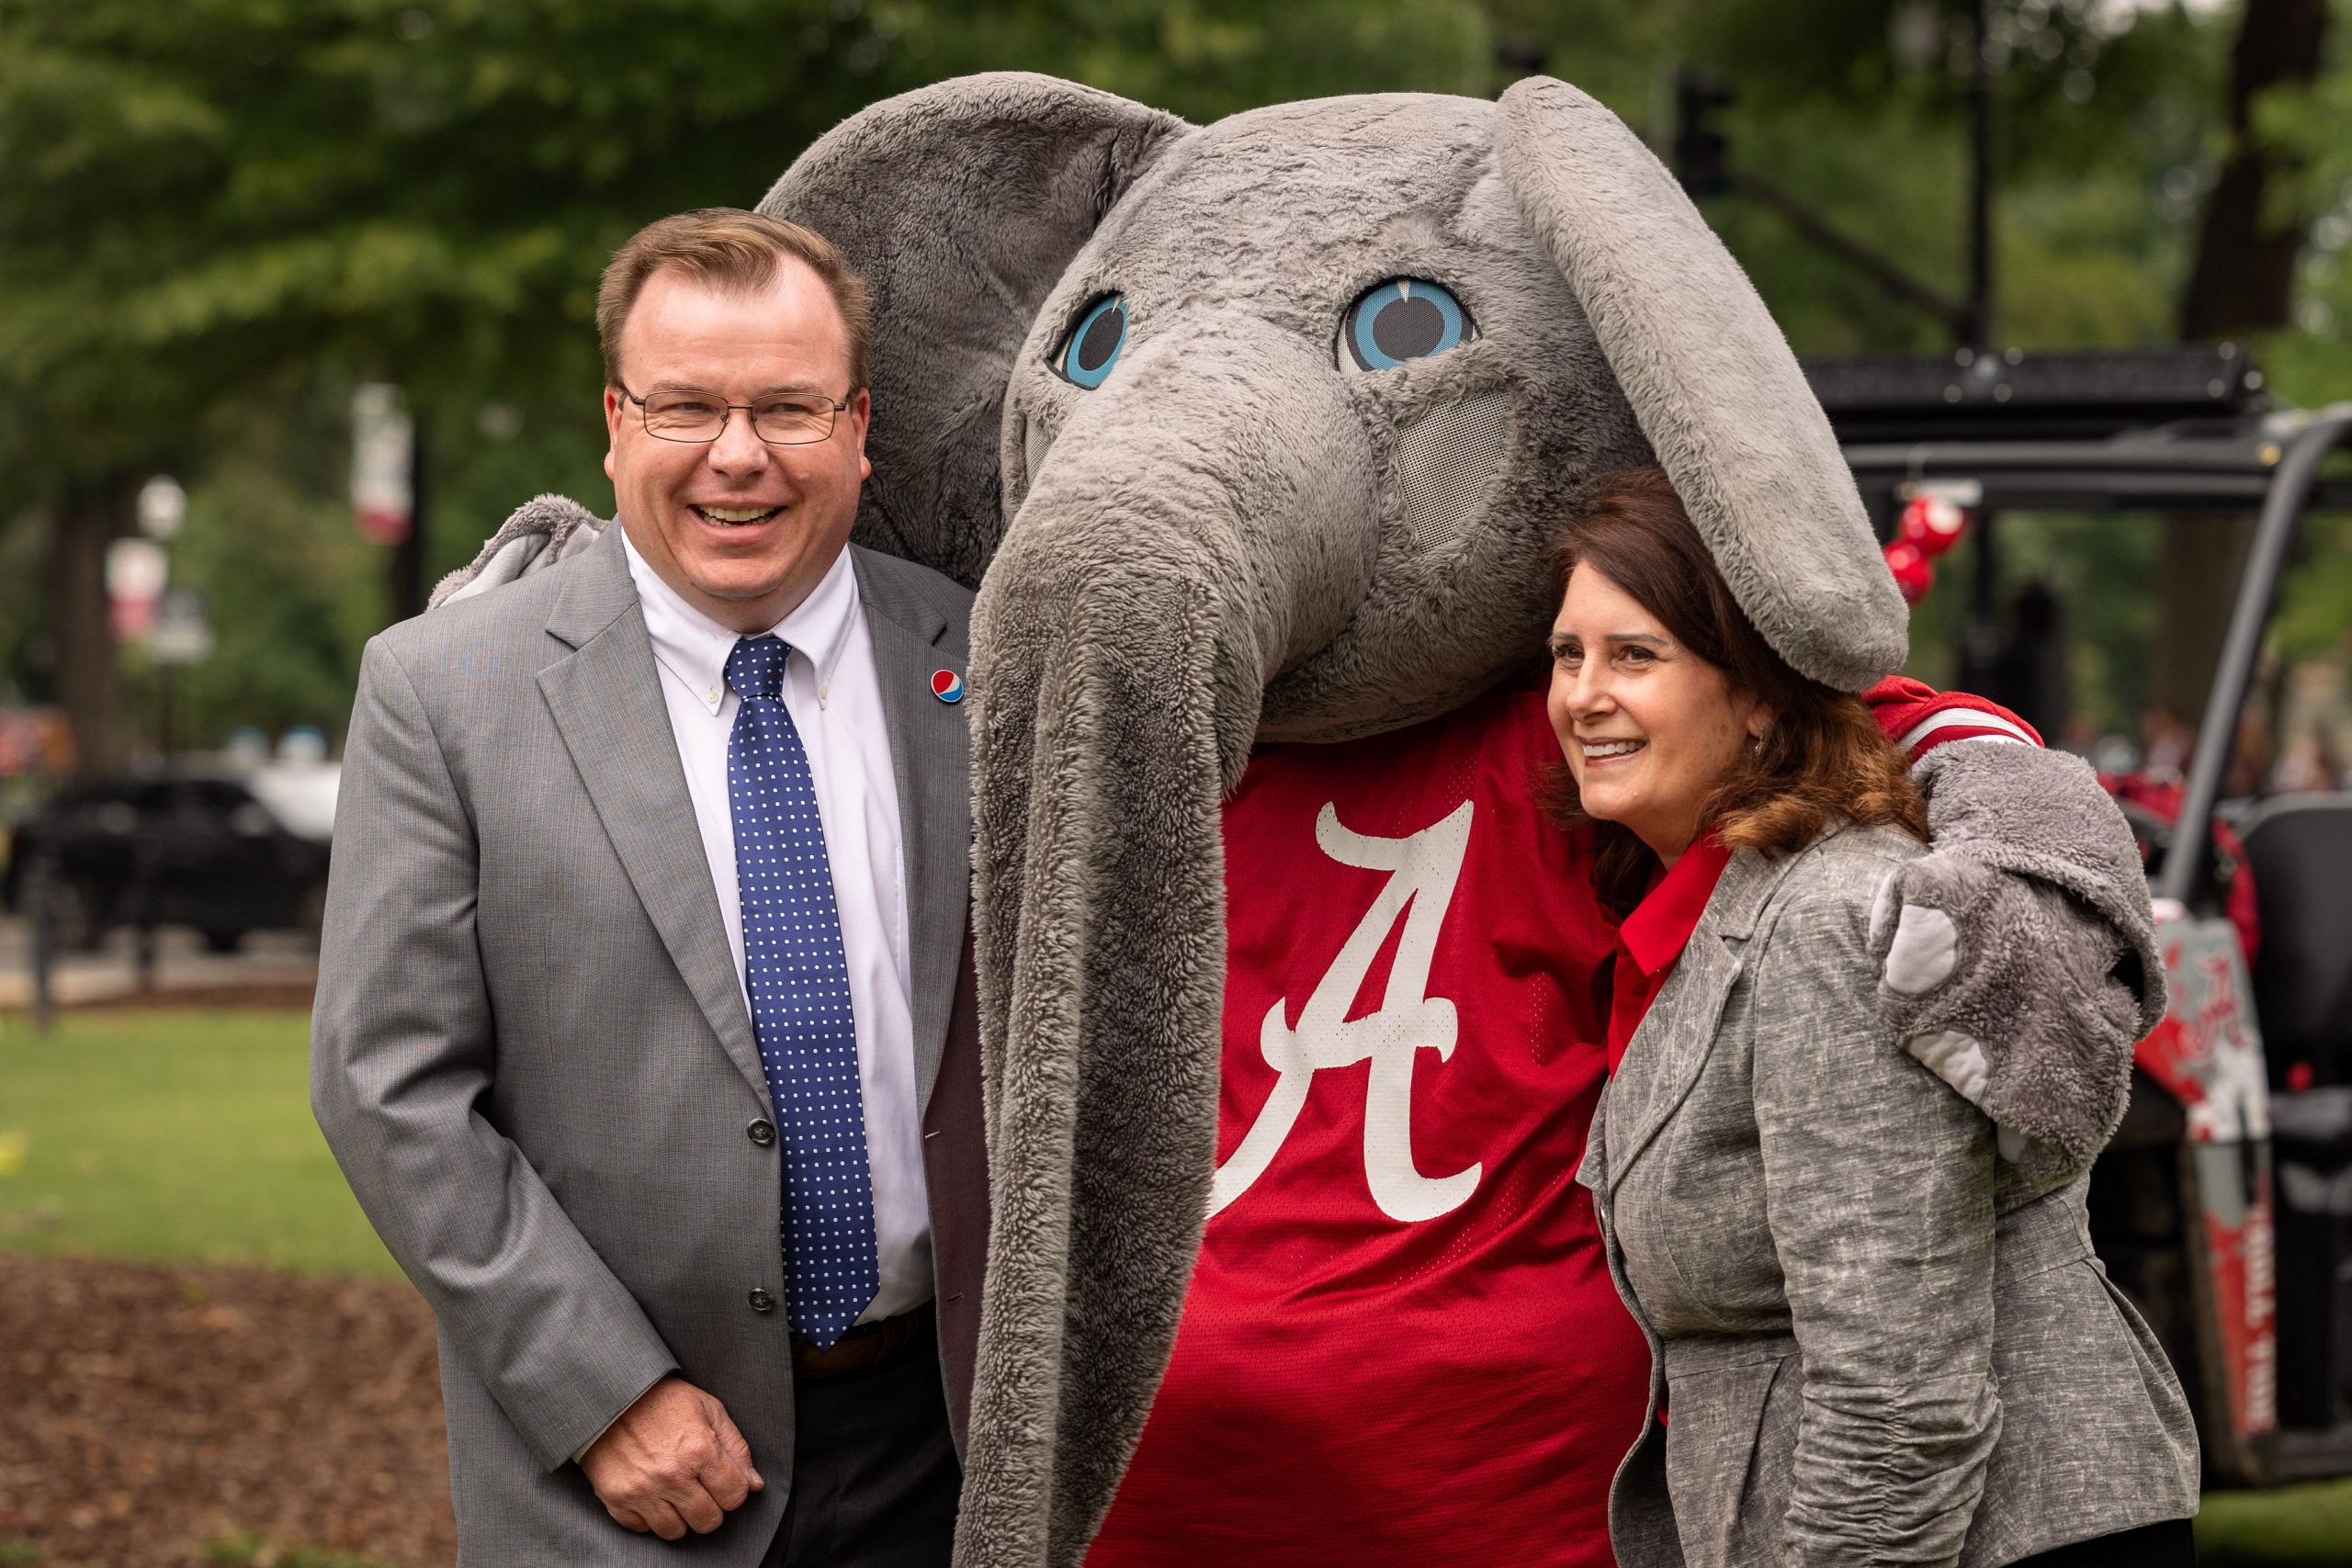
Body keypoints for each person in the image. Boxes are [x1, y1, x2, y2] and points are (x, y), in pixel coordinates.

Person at [311, 209, 985, 1568]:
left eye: (789, 407)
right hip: (621, 1482)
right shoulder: (445, 692)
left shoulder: (981, 658)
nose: (738, 454)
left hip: (952, 1447)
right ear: (615, 424)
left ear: (859, 428)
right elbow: (387, 1082)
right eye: (687, 406)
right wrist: (600, 1389)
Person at [1552, 469, 2199, 1567]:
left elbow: (1896, 1394)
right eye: (1569, 654)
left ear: (1758, 694)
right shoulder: (1717, 908)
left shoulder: (1827, 919)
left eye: (1635, 656)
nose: (1582, 695)